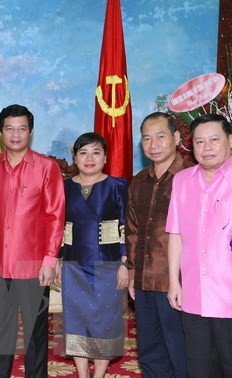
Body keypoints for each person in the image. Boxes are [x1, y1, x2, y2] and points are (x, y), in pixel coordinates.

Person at [0, 104, 64, 378]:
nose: (16, 135)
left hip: (35, 265)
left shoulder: (47, 168)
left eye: (22, 129)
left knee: (35, 334)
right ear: (0, 131)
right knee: (1, 328)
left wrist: (50, 259)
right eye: (10, 128)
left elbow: (55, 215)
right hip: (0, 264)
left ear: (31, 132)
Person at [166, 113, 232, 377]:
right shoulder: (182, 181)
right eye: (199, 142)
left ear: (229, 140)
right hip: (195, 294)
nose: (206, 148)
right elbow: (175, 234)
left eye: (214, 140)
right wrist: (174, 281)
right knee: (199, 368)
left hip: (228, 294)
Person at [59, 132, 128, 378]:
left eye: (96, 152)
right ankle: (82, 373)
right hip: (73, 264)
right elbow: (59, 227)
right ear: (75, 158)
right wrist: (58, 261)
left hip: (107, 265)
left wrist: (124, 263)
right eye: (83, 152)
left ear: (105, 157)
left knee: (103, 322)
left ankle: (98, 375)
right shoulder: (64, 187)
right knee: (75, 319)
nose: (89, 158)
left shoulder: (117, 186)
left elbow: (125, 227)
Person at [126, 112, 190, 378]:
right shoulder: (138, 181)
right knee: (149, 352)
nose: (153, 144)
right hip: (143, 281)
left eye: (161, 136)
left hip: (179, 283)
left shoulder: (191, 177)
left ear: (176, 137)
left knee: (181, 350)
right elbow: (132, 232)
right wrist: (131, 273)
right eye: (146, 138)